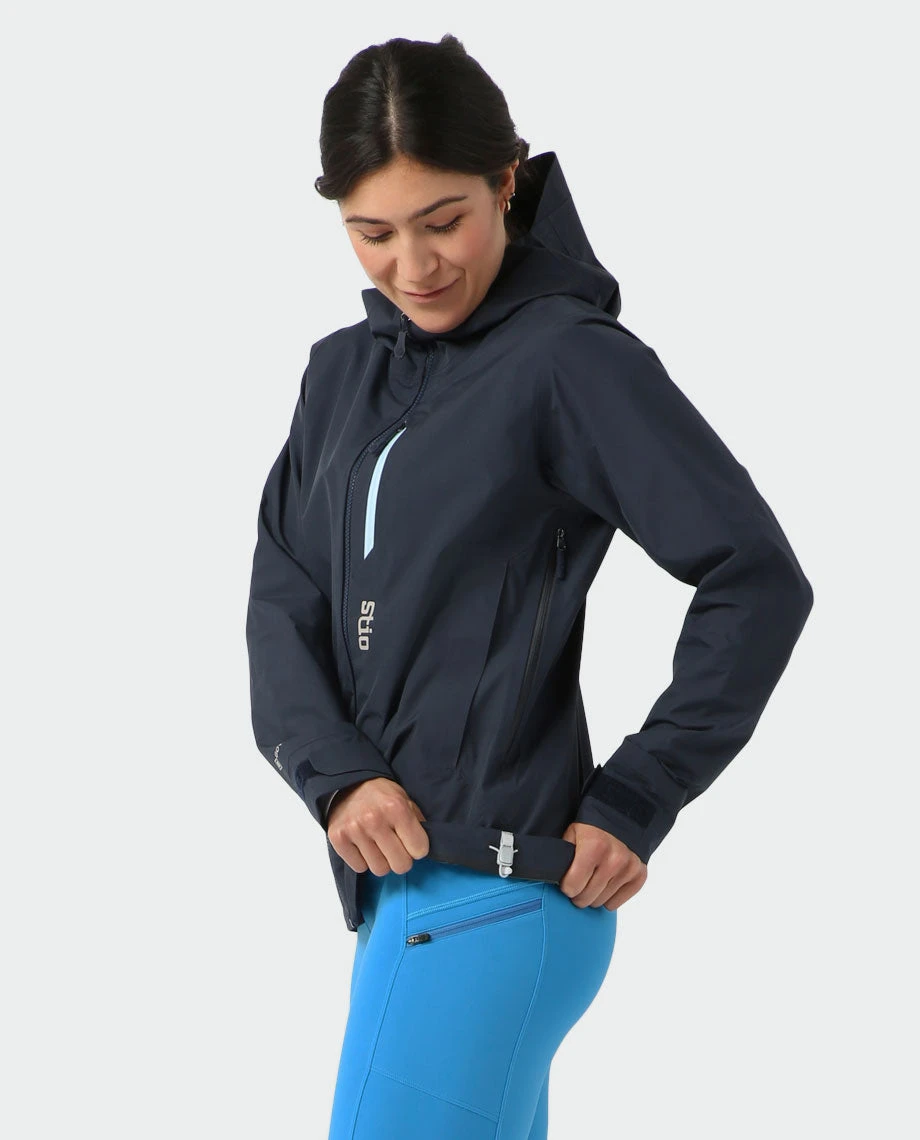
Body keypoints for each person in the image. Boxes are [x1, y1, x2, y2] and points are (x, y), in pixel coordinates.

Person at [245, 33, 814, 1140]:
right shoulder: (340, 375)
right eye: (373, 232)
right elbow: (283, 593)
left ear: (506, 182)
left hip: (494, 895)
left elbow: (755, 578)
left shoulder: (568, 361)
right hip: (403, 901)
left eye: (442, 220)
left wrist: (638, 795)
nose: (414, 266)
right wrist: (337, 776)